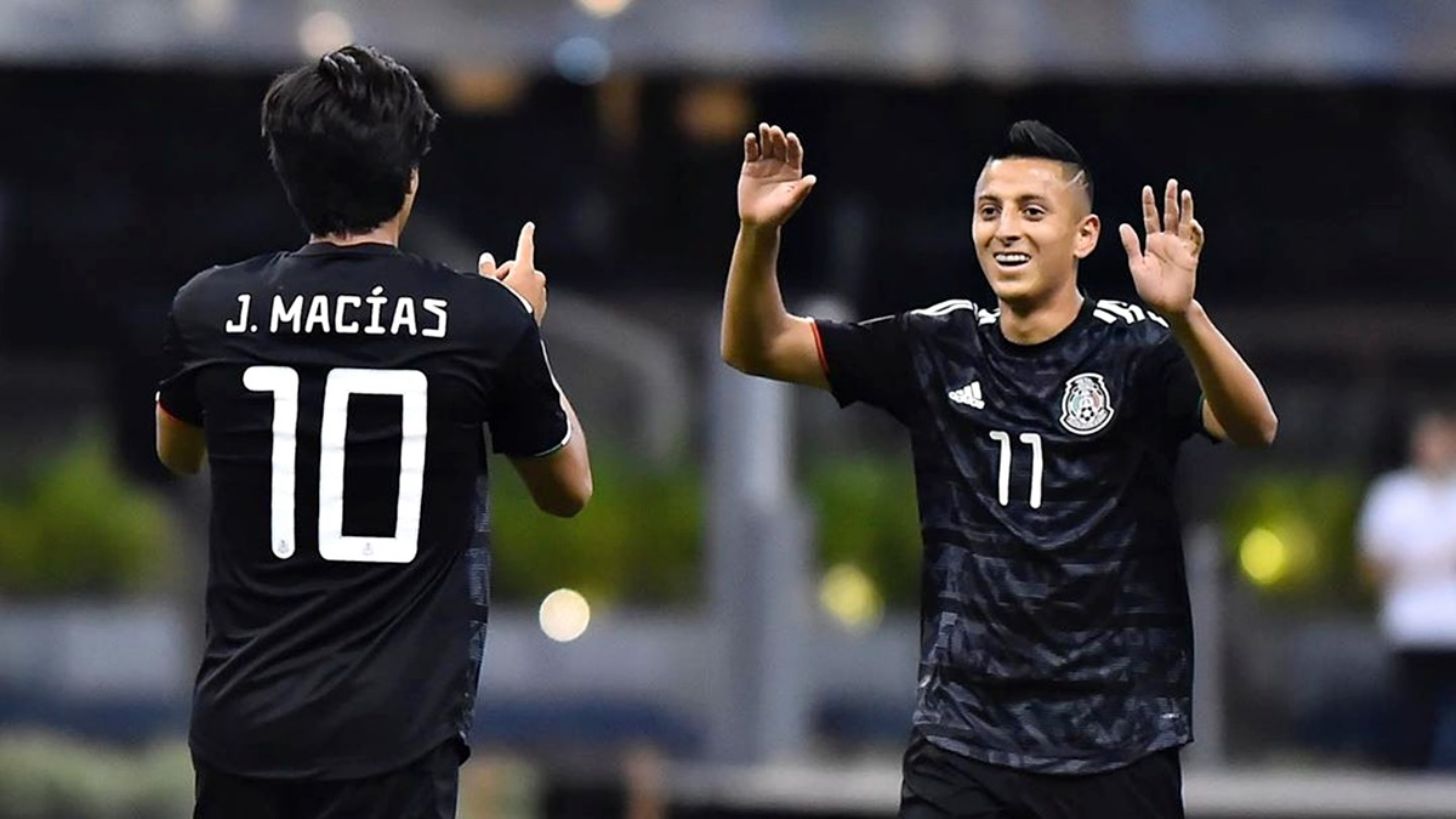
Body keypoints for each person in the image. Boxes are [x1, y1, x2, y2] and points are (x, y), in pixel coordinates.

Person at [721, 120, 1277, 818]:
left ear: (1085, 235)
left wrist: (1186, 315)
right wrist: (758, 233)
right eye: (990, 211)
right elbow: (756, 346)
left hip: (1116, 745)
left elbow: (1253, 425)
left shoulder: (1137, 349)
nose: (1006, 229)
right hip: (963, 746)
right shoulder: (937, 343)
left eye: (1032, 211)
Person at [155, 45, 592, 819]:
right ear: (409, 179)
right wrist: (523, 325)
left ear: (288, 173)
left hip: (242, 728)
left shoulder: (209, 307)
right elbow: (568, 490)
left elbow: (178, 452)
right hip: (394, 740)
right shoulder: (481, 321)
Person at [1359, 408, 1456, 770]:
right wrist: (1428, 564)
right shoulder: (1393, 495)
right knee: (1414, 709)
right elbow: (1373, 561)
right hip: (1412, 625)